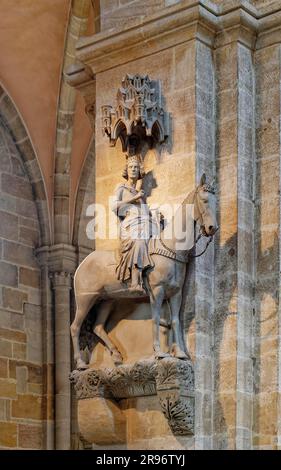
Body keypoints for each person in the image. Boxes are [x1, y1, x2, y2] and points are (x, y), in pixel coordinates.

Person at [111, 155, 155, 293]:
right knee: (140, 243)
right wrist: (134, 198)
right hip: (130, 227)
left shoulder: (139, 193)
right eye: (130, 167)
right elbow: (114, 207)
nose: (133, 169)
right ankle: (135, 283)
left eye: (136, 167)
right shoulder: (121, 188)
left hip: (143, 225)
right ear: (126, 170)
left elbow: (143, 212)